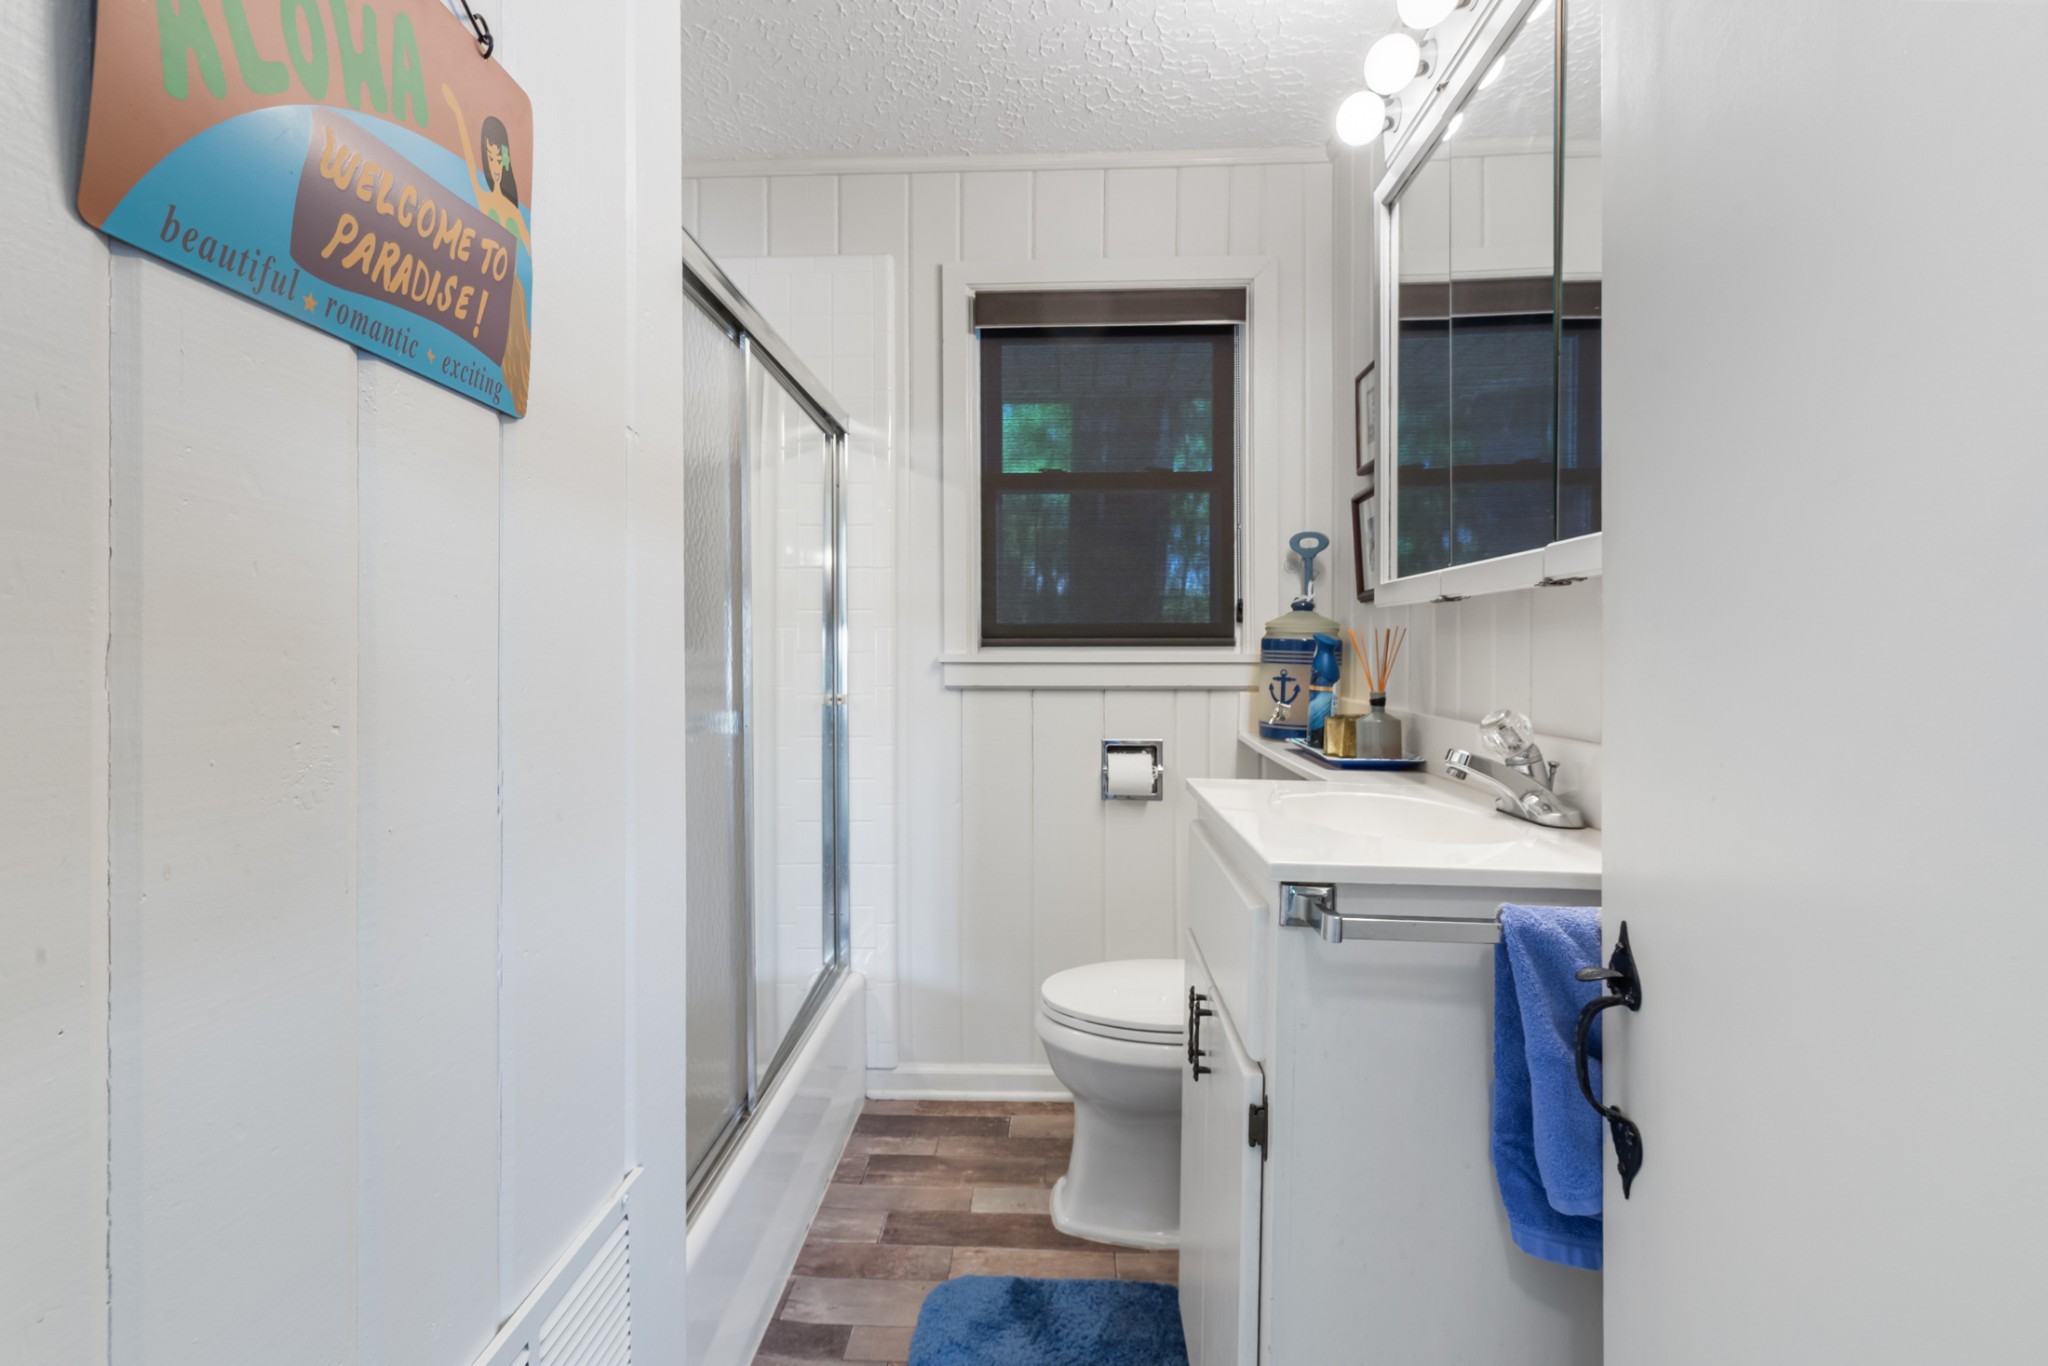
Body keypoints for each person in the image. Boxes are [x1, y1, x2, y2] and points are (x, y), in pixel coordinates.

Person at [443, 84, 532, 414]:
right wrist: (455, 113)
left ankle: (511, 388)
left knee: (513, 347)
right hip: (488, 287)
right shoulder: (484, 198)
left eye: (499, 157)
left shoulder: (512, 210)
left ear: (506, 161)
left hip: (512, 291)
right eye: (490, 156)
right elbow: (467, 160)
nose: (494, 163)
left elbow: (529, 257)